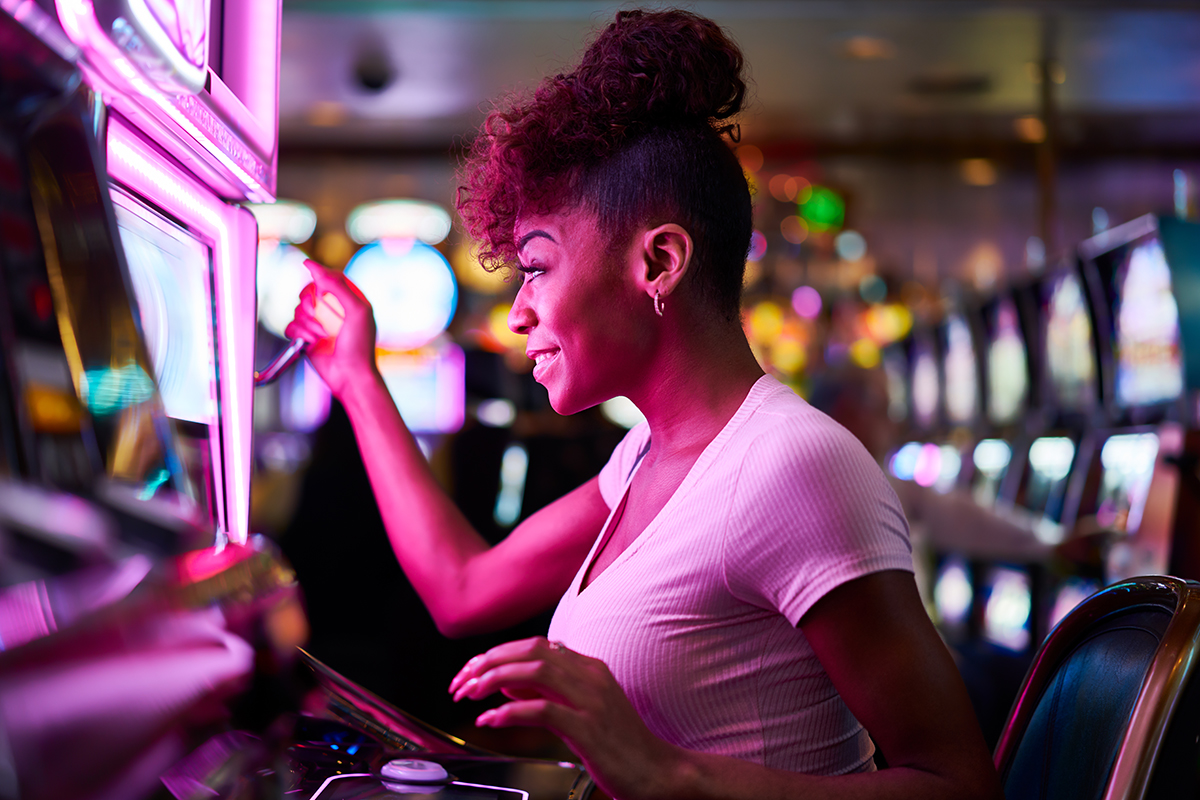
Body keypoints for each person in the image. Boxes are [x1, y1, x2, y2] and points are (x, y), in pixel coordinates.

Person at [285, 9, 1002, 799]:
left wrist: (669, 773)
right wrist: (354, 372)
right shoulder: (645, 458)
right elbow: (464, 589)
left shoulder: (792, 463)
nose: (518, 311)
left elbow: (956, 784)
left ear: (658, 261)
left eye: (537, 267)